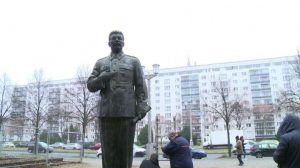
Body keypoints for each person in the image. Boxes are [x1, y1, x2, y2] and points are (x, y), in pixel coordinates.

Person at [87, 31, 150, 168]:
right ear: (108, 43)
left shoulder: (133, 61)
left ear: (123, 42)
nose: (116, 40)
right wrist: (101, 78)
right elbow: (90, 85)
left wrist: (142, 107)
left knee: (125, 153)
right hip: (106, 113)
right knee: (108, 154)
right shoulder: (100, 63)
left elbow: (141, 86)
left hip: (127, 114)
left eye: (119, 38)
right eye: (113, 38)